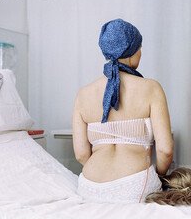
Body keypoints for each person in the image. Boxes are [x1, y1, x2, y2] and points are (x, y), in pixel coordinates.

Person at [72, 18, 174, 203]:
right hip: (134, 185)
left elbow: (81, 154)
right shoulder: (151, 88)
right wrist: (158, 177)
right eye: (139, 47)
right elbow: (165, 150)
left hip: (90, 187)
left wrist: (104, 181)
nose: (141, 53)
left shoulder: (83, 94)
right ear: (131, 51)